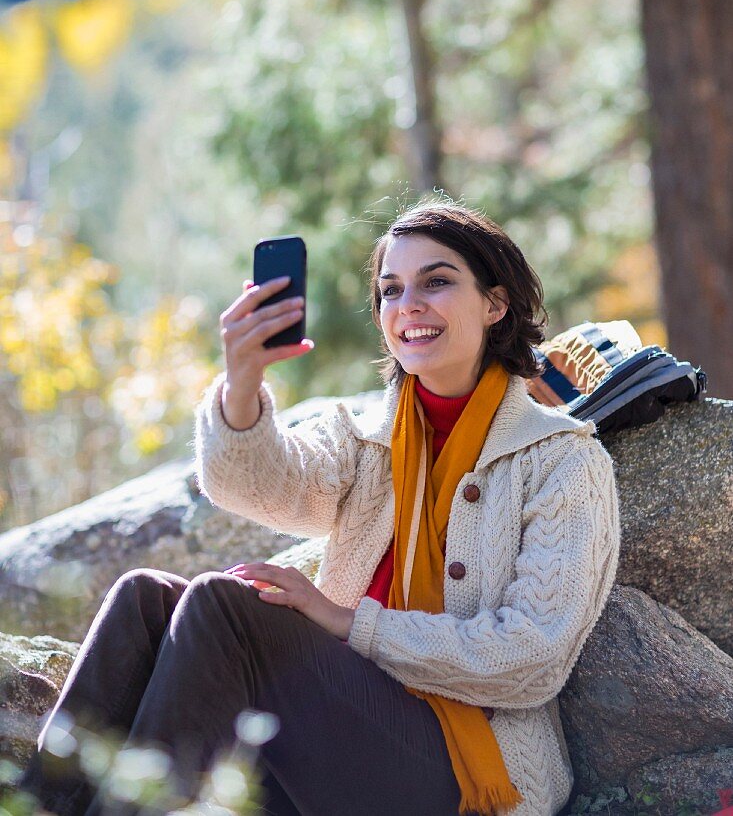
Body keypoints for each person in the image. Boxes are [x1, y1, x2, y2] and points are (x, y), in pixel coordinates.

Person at [20, 200, 621, 816]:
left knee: (222, 606)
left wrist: (343, 621)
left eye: (436, 282)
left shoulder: (561, 462)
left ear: (495, 304)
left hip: (465, 769)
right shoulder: (366, 437)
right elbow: (255, 486)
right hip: (328, 735)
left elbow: (530, 657)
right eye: (390, 290)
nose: (407, 304)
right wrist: (243, 381)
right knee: (144, 597)